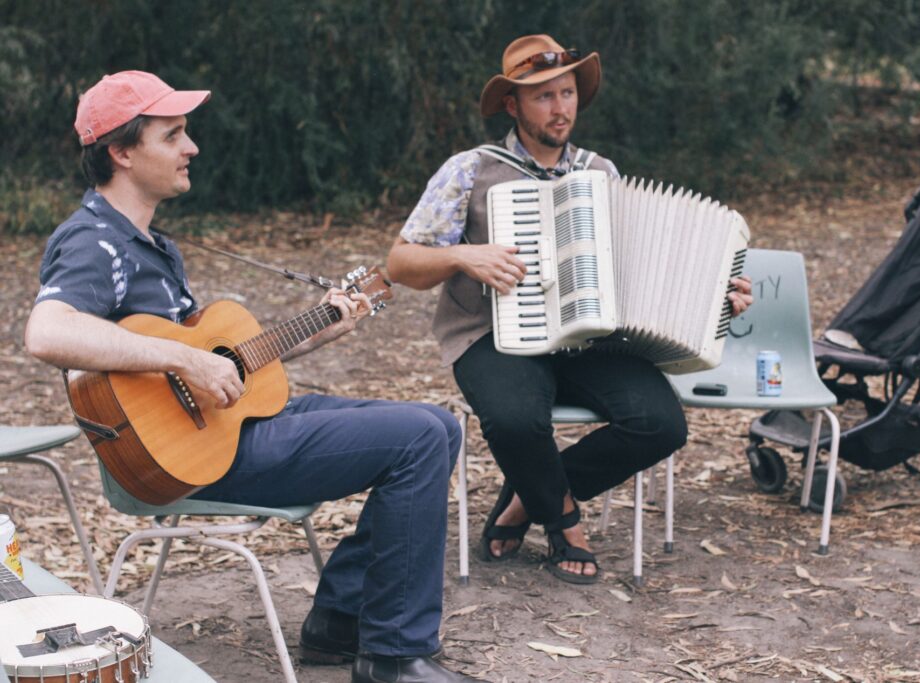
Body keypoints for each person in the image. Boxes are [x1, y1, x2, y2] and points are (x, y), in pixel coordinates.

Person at [24, 71, 476, 683]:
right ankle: (394, 658)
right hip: (186, 461)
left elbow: (220, 366)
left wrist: (320, 327)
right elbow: (47, 333)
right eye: (174, 135)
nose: (193, 148)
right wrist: (186, 359)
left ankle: (340, 623)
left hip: (227, 430)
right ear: (122, 152)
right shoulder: (91, 242)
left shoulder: (152, 244)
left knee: (439, 426)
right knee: (418, 438)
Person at [387, 35, 754, 585]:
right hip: (492, 335)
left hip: (588, 337)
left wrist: (715, 294)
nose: (560, 109)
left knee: (661, 423)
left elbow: (640, 269)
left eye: (567, 93)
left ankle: (524, 504)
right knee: (515, 417)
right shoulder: (471, 170)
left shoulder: (600, 173)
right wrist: (463, 255)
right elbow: (399, 263)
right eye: (543, 98)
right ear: (512, 105)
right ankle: (565, 526)